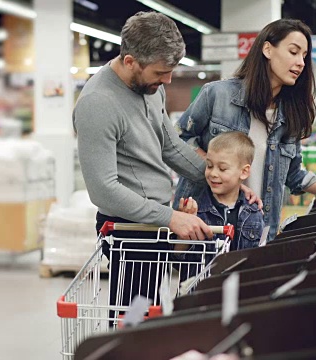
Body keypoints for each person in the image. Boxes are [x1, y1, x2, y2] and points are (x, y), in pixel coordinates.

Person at [73, 12, 259, 319]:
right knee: (133, 309)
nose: (168, 80)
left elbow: (170, 146)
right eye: (161, 72)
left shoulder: (151, 88)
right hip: (128, 229)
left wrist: (225, 182)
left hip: (154, 221)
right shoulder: (99, 104)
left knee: (148, 306)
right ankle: (123, 349)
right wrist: (170, 217)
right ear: (130, 61)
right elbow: (103, 190)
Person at [173, 18, 316, 242]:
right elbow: (178, 138)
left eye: (304, 56)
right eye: (293, 52)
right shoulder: (218, 95)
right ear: (267, 49)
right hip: (203, 225)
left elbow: (294, 174)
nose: (301, 62)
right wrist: (219, 170)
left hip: (255, 231)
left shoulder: (290, 114)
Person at [175, 132, 264, 281]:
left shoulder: (254, 213)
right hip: (199, 295)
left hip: (240, 296)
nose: (213, 174)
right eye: (209, 166)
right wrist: (185, 224)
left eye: (222, 169)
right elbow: (177, 258)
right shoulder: (196, 210)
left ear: (244, 172)